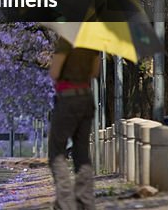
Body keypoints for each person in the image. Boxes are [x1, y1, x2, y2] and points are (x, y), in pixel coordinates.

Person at [48, 38, 100, 210]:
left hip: (67, 100)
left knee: (57, 152)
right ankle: (85, 202)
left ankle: (66, 203)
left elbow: (54, 73)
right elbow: (95, 72)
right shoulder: (92, 42)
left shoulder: (66, 41)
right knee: (81, 152)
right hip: (86, 99)